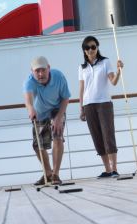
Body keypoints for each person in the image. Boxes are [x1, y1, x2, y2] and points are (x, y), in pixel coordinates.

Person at [78, 36, 124, 178]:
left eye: (93, 47)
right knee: (97, 137)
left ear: (97, 47)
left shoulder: (105, 62)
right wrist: (81, 108)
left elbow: (113, 82)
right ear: (84, 51)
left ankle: (114, 169)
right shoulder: (82, 67)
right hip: (88, 105)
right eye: (87, 48)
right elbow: (81, 88)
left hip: (104, 103)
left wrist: (119, 70)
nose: (91, 50)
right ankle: (107, 169)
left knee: (108, 135)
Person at [23, 56, 71, 185]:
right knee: (37, 145)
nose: (40, 74)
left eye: (43, 70)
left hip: (57, 108)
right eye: (37, 71)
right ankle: (48, 173)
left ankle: (55, 174)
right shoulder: (29, 81)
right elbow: (28, 100)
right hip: (40, 112)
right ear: (32, 71)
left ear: (48, 68)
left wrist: (59, 118)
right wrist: (30, 108)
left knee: (57, 137)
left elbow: (65, 98)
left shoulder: (59, 77)